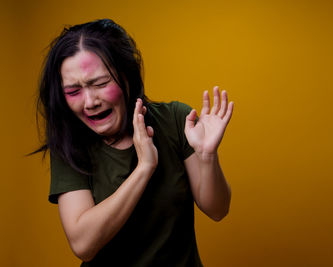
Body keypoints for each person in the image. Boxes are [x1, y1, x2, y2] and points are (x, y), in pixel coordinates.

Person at [35, 18, 233, 267]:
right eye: (74, 91)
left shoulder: (175, 120)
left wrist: (207, 157)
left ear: (127, 76)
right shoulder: (70, 145)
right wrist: (144, 168)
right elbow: (83, 245)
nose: (90, 102)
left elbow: (217, 209)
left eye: (101, 83)